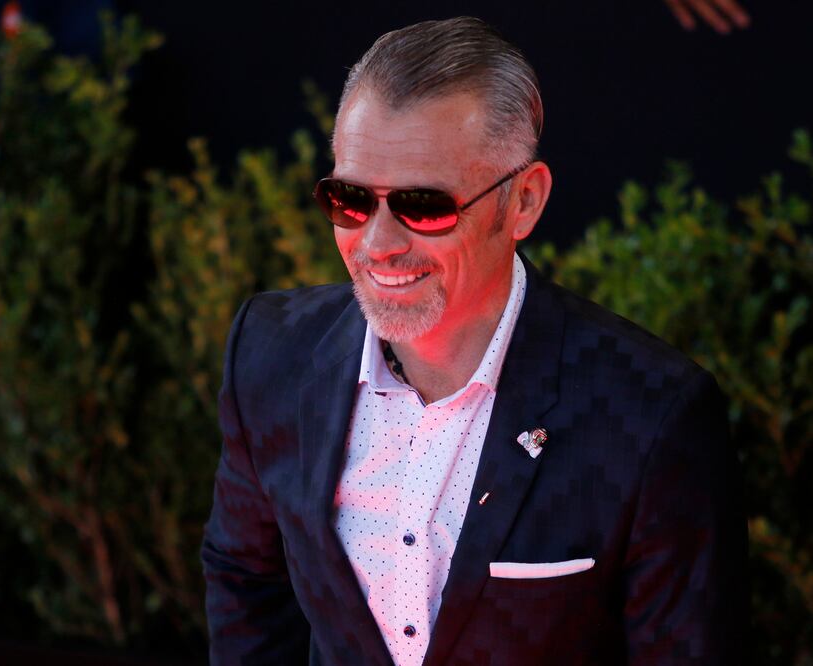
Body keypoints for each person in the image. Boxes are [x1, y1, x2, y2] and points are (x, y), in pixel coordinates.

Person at [201, 16, 747, 665]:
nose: (376, 243)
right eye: (349, 198)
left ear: (522, 202)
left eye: (422, 206)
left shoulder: (651, 413)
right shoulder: (272, 354)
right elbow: (246, 580)